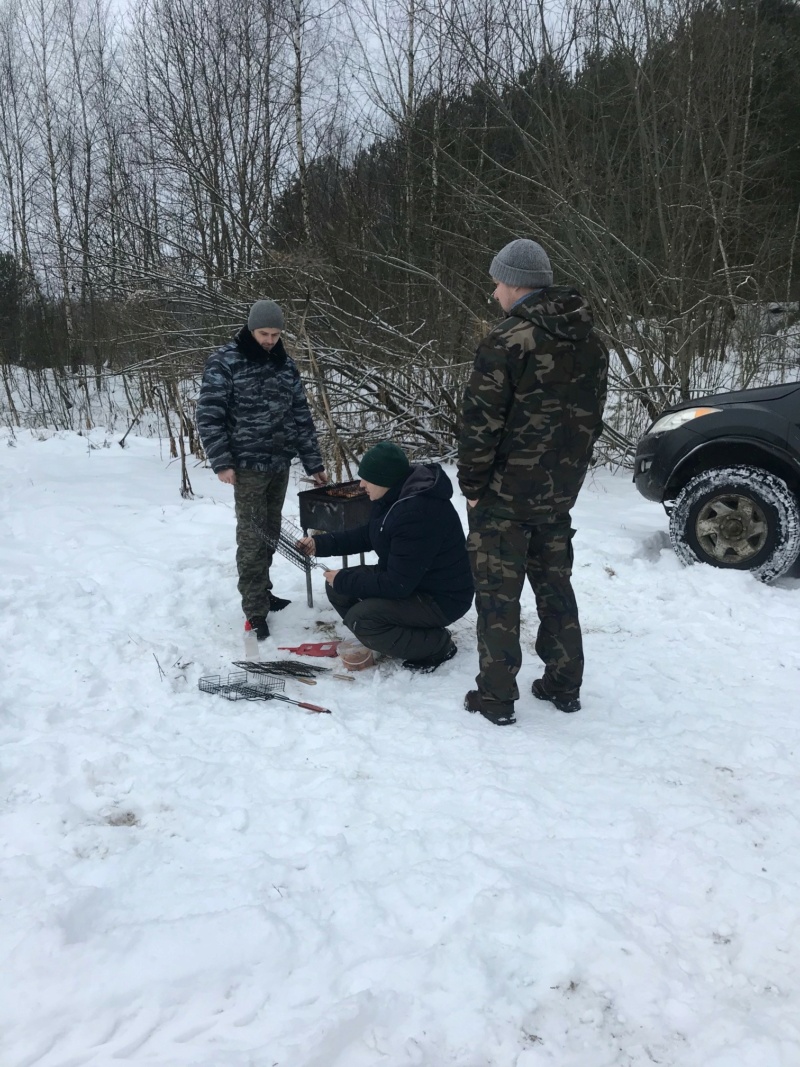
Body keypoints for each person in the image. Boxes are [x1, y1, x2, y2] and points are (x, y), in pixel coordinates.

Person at [458, 238, 608, 725]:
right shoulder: (590, 342)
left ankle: (497, 697)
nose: (495, 292)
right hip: (558, 492)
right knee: (555, 585)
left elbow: (480, 423)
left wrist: (473, 484)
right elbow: (591, 420)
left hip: (504, 495)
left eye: (498, 282)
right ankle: (565, 684)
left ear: (515, 283)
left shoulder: (507, 341)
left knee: (498, 597)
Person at [197, 299, 327, 640]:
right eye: (263, 333)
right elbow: (209, 415)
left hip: (278, 464)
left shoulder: (285, 365)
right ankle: (254, 611)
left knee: (269, 533)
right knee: (252, 538)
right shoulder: (225, 361)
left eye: (275, 333)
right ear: (251, 329)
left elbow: (301, 416)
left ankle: (264, 594)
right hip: (246, 467)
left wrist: (314, 463)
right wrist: (221, 461)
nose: (269, 339)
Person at [299, 442, 474, 671]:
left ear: (384, 479)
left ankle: (437, 644)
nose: (361, 485)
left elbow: (397, 585)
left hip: (441, 598)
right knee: (338, 589)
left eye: (367, 480)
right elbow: (369, 534)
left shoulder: (416, 512)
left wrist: (344, 578)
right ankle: (401, 634)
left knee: (362, 619)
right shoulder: (394, 496)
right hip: (414, 581)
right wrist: (319, 544)